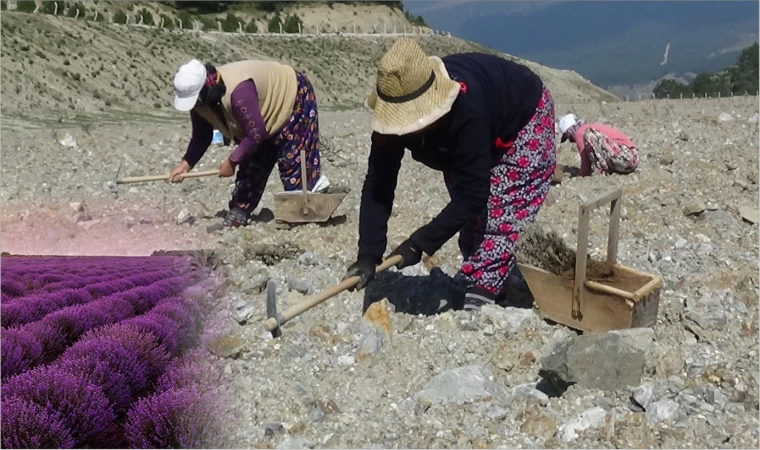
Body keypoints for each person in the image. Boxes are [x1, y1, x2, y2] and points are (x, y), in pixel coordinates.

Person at [342, 39, 557, 311]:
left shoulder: (467, 109)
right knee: (474, 228)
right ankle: (492, 276)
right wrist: (368, 254)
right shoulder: (391, 125)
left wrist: (418, 244)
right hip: (463, 139)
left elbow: (472, 195)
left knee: (503, 214)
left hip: (524, 118)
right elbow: (378, 185)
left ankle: (484, 292)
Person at [170, 59, 330, 227]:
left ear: (206, 87)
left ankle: (307, 202)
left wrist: (231, 162)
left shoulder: (238, 91)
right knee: (253, 162)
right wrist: (186, 164)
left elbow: (256, 133)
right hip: (260, 120)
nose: (196, 106)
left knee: (293, 160)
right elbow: (201, 136)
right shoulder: (201, 103)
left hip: (293, 97)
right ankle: (240, 209)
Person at [558, 113, 638, 176]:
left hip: (626, 158)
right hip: (631, 157)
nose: (571, 140)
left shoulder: (581, 132)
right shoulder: (587, 127)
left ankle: (601, 171)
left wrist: (582, 174)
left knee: (589, 135)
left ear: (570, 131)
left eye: (568, 136)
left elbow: (585, 157)